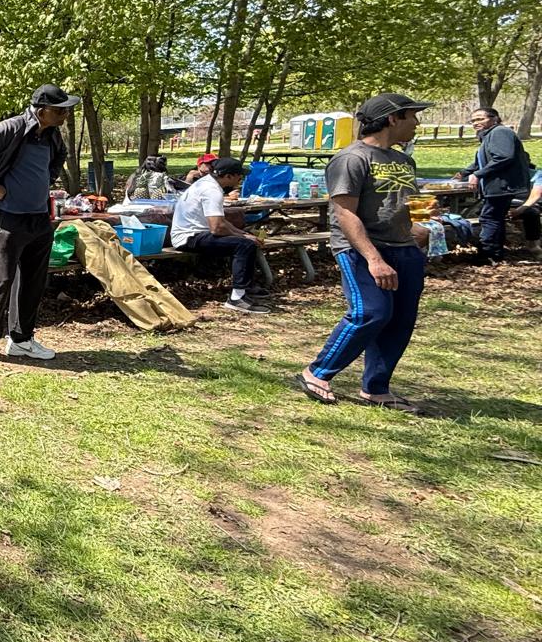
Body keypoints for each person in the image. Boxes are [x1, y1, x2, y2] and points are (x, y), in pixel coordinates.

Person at [295, 94, 433, 413]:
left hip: (404, 247)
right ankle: (317, 372)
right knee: (370, 312)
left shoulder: (404, 161)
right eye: (412, 116)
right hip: (361, 248)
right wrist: (374, 258)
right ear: (392, 118)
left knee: (400, 319)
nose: (417, 123)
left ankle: (376, 388)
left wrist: (423, 224)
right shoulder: (351, 158)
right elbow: (345, 213)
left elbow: (408, 204)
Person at [0, 84, 78, 364]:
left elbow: (60, 156)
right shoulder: (11, 128)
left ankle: (21, 340)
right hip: (9, 217)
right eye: (60, 110)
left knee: (34, 281)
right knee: (2, 279)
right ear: (42, 110)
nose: (65, 115)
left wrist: (48, 178)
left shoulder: (52, 134)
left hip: (40, 217)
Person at [170, 157, 270, 313]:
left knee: (247, 240)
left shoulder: (207, 184)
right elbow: (217, 228)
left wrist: (243, 233)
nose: (241, 179)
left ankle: (246, 288)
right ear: (228, 176)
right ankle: (237, 298)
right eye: (239, 176)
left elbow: (221, 222)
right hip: (188, 238)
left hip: (196, 233)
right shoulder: (212, 191)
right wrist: (244, 238)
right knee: (244, 245)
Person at [459, 107, 531, 262]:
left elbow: (503, 157)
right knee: (495, 217)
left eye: (480, 119)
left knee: (489, 217)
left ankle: (488, 255)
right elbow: (482, 160)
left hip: (502, 184)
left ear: (495, 119)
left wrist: (478, 174)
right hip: (495, 185)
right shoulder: (488, 135)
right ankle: (495, 253)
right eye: (473, 120)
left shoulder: (500, 132)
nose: (476, 123)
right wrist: (463, 173)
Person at [508, 164, 541, 256]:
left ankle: (533, 245)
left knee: (532, 213)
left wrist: (519, 210)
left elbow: (535, 196)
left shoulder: (537, 175)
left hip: (527, 203)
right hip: (505, 202)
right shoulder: (502, 173)